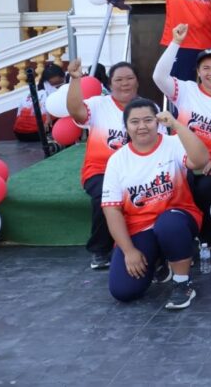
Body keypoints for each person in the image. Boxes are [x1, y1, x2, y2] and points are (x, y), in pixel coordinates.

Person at [101, 99, 209, 309]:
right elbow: (111, 209)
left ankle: (182, 282)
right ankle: (161, 260)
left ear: (158, 122)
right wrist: (129, 251)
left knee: (169, 225)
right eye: (135, 122)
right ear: (126, 126)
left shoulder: (173, 143)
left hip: (176, 217)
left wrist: (176, 125)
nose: (142, 126)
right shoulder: (117, 160)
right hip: (140, 227)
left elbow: (201, 160)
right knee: (124, 291)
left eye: (148, 120)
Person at [153, 24, 211, 240]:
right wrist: (176, 42)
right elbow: (158, 76)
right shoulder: (186, 90)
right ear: (198, 72)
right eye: (206, 68)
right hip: (181, 161)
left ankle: (209, 237)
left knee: (205, 187)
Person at [66, 58, 138, 270]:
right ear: (109, 83)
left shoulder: (147, 108)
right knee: (105, 196)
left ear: (137, 81)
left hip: (136, 170)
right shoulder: (98, 104)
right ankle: (100, 250)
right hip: (100, 170)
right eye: (119, 80)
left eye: (129, 78)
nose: (125, 83)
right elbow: (75, 111)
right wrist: (75, 80)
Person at [13, 65, 65, 142]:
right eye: (56, 84)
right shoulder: (51, 94)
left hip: (19, 134)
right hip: (38, 134)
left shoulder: (30, 94)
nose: (58, 86)